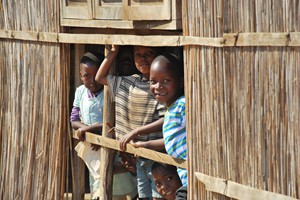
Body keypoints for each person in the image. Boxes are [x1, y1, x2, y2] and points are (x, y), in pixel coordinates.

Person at [95, 45, 166, 200]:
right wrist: (113, 52)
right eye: (138, 54)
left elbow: (164, 119)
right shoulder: (127, 81)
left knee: (157, 195)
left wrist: (136, 132)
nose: (142, 58)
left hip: (154, 155)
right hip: (134, 153)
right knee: (143, 196)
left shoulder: (159, 87)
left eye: (149, 53)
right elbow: (99, 77)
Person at [149, 53, 188, 188]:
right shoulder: (172, 110)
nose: (158, 86)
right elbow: (172, 140)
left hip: (195, 179)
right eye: (153, 81)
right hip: (187, 179)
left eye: (166, 80)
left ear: (181, 81)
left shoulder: (183, 106)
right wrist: (145, 145)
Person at [70, 51, 105, 199]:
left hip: (109, 144)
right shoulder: (80, 92)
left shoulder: (109, 91)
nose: (92, 80)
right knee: (96, 184)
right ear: (80, 75)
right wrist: (87, 131)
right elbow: (74, 119)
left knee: (118, 186)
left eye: (96, 74)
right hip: (91, 148)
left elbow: (114, 121)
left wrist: (89, 129)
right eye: (86, 76)